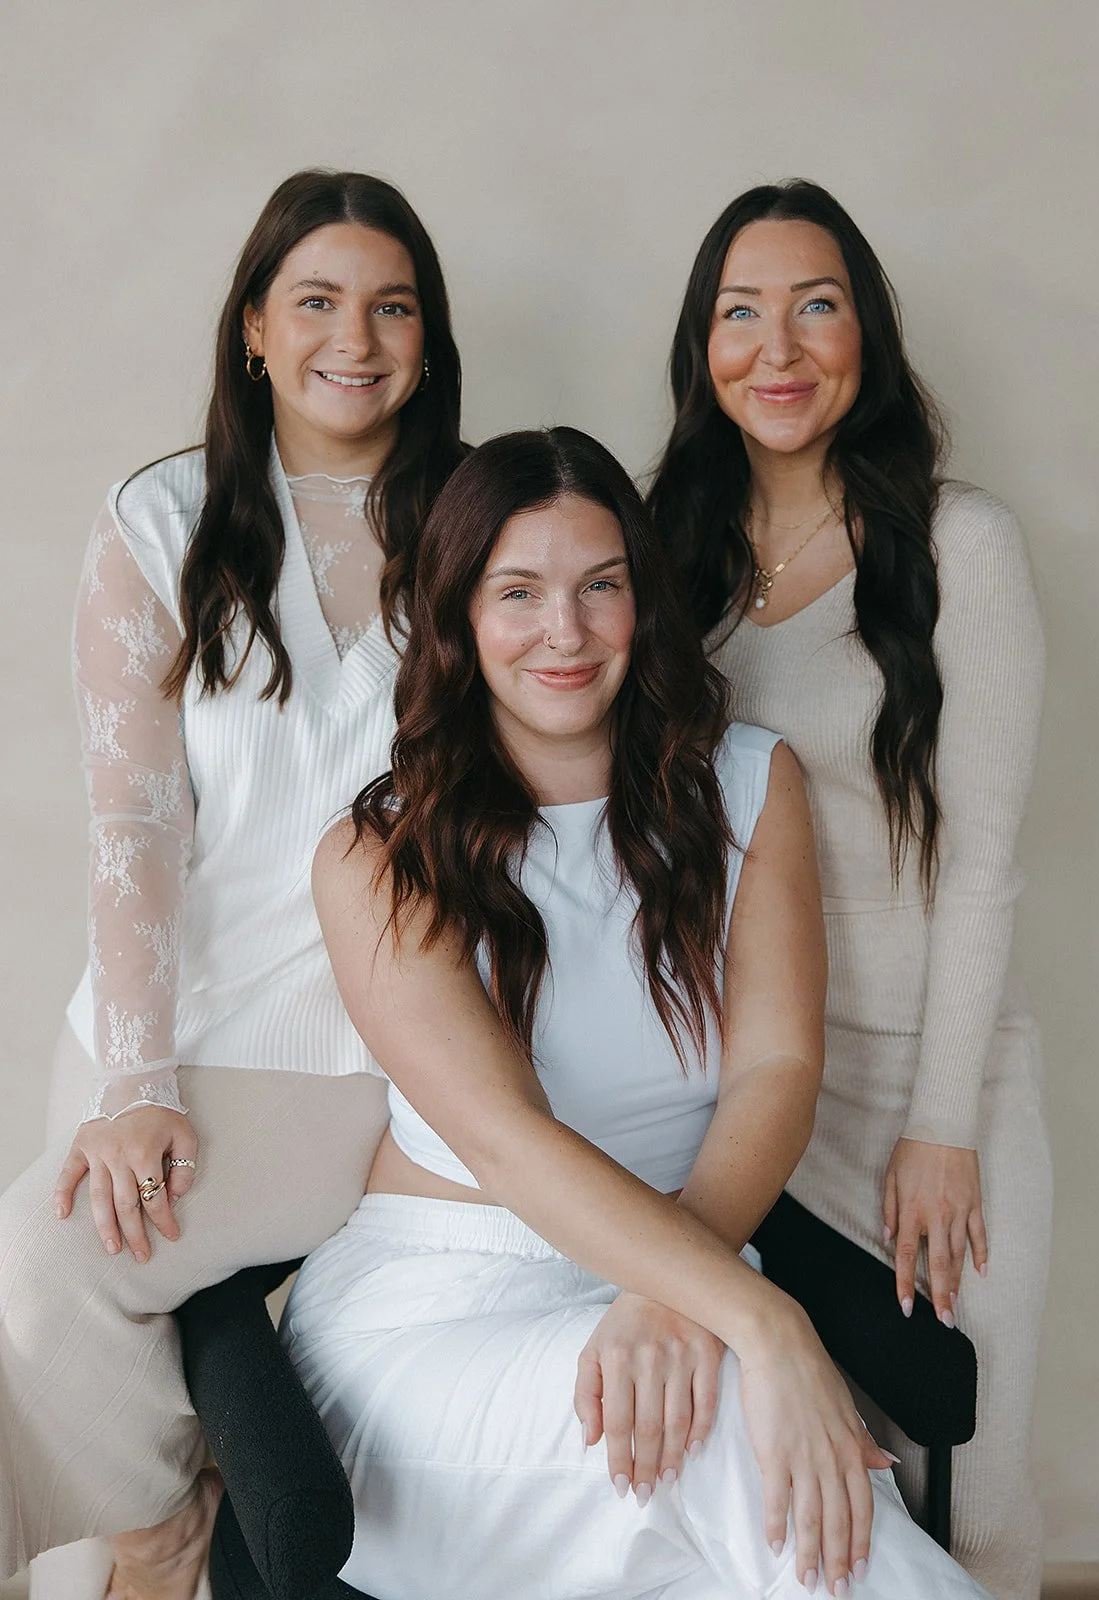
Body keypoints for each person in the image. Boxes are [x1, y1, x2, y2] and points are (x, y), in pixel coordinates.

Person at [282, 426, 993, 1600]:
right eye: (518, 592)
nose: (564, 631)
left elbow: (775, 1069)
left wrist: (681, 1288)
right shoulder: (379, 854)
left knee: (766, 1502)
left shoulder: (752, 787)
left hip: (688, 1264)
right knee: (753, 1450)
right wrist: (763, 1323)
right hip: (438, 1319)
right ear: (457, 617)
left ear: (641, 603)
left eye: (599, 586)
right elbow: (508, 1140)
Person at [0, 168, 465, 1600]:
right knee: (48, 1302)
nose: (355, 337)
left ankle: (161, 1539)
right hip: (142, 1023)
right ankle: (161, 1526)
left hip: (347, 1046)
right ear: (253, 327)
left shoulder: (477, 522)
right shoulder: (161, 517)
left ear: (428, 342)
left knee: (50, 1274)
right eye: (315, 300)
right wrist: (135, 1077)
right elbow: (133, 817)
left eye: (392, 306)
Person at [647, 180, 1050, 1600]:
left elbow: (984, 859)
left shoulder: (959, 548)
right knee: (812, 1505)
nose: (776, 344)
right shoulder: (664, 561)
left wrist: (942, 1129)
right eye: (737, 312)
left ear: (864, 336)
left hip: (924, 1096)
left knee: (968, 1484)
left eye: (813, 305)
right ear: (701, 348)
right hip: (747, 1095)